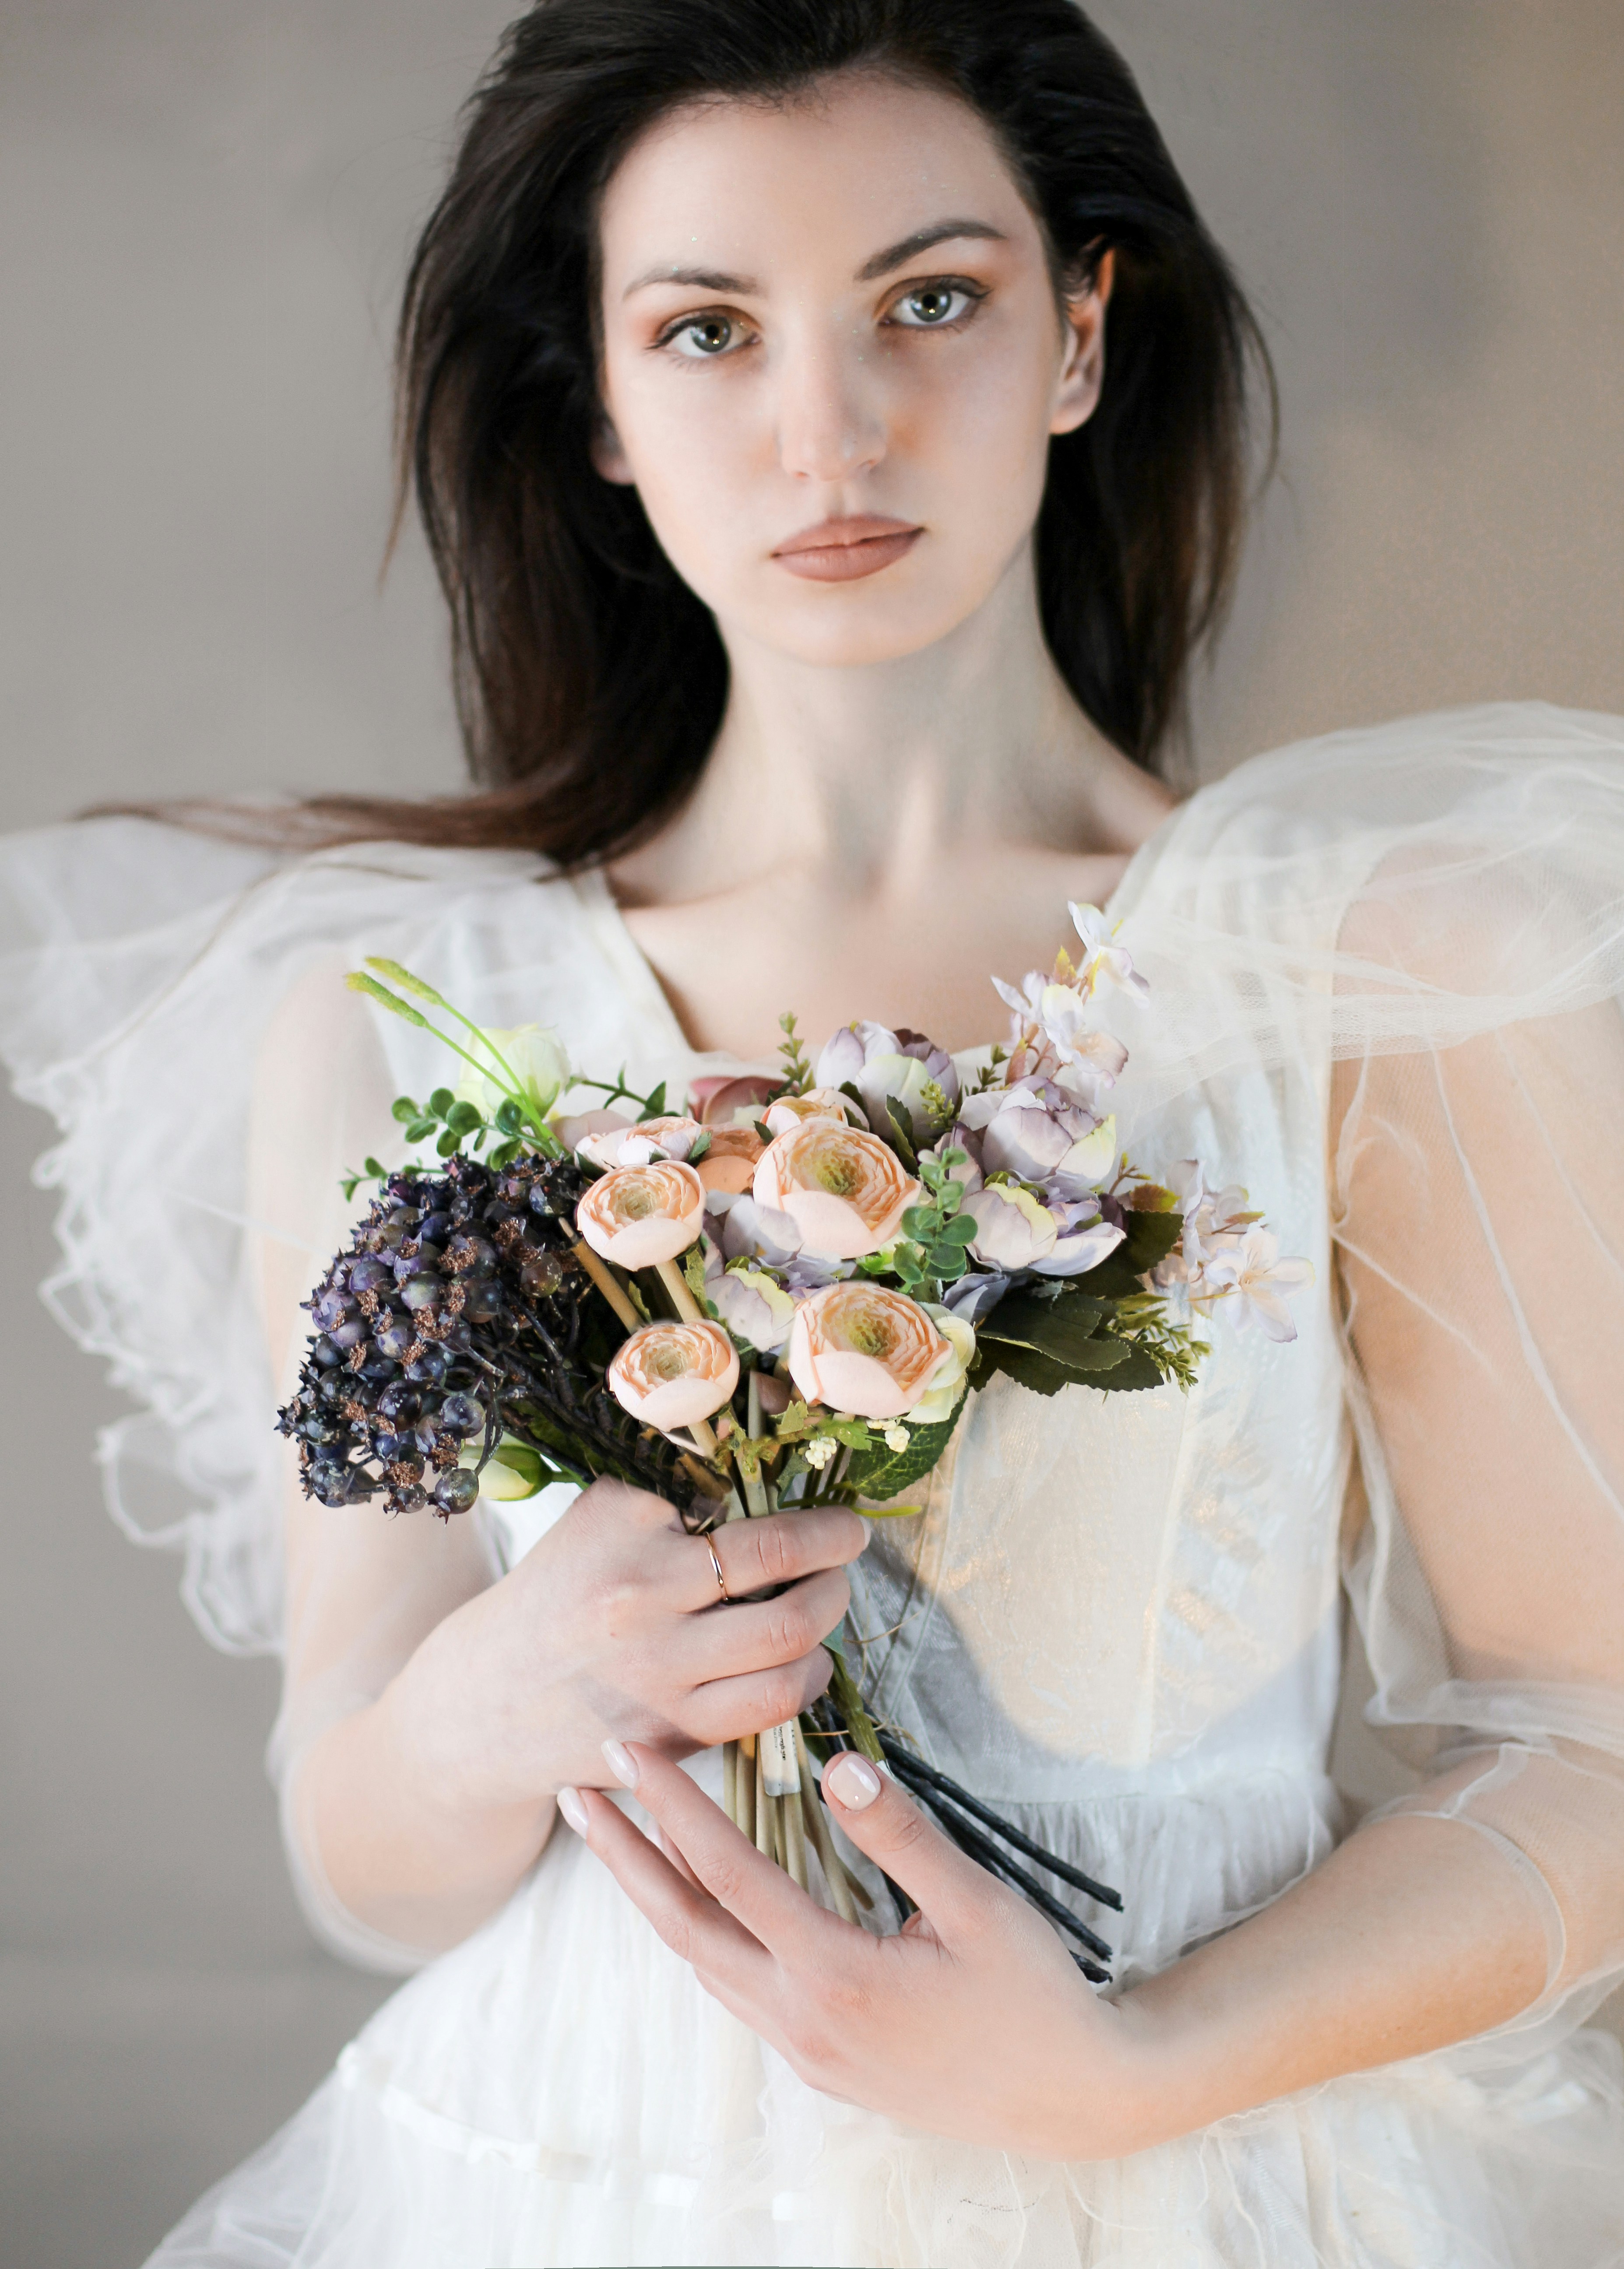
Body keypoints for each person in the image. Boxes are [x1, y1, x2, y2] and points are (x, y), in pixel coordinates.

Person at [1, 2, 1621, 2262]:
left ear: (1080, 333)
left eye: (929, 299)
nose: (827, 426)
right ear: (598, 410)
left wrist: (1122, 2070)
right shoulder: (402, 1034)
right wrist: (511, 1692)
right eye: (706, 330)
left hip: (1195, 2176)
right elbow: (355, 1837)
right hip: (561, 2180)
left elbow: (1594, 1748)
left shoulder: (1363, 972)